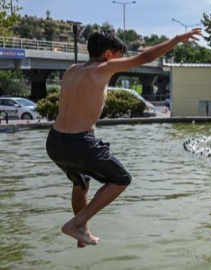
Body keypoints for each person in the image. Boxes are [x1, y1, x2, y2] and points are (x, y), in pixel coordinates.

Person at [46, 28, 202, 247]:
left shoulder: (72, 70)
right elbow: (145, 57)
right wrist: (177, 39)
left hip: (54, 141)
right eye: (120, 56)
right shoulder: (104, 67)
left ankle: (83, 233)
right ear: (109, 54)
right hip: (79, 142)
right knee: (121, 179)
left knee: (81, 183)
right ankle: (76, 223)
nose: (122, 62)